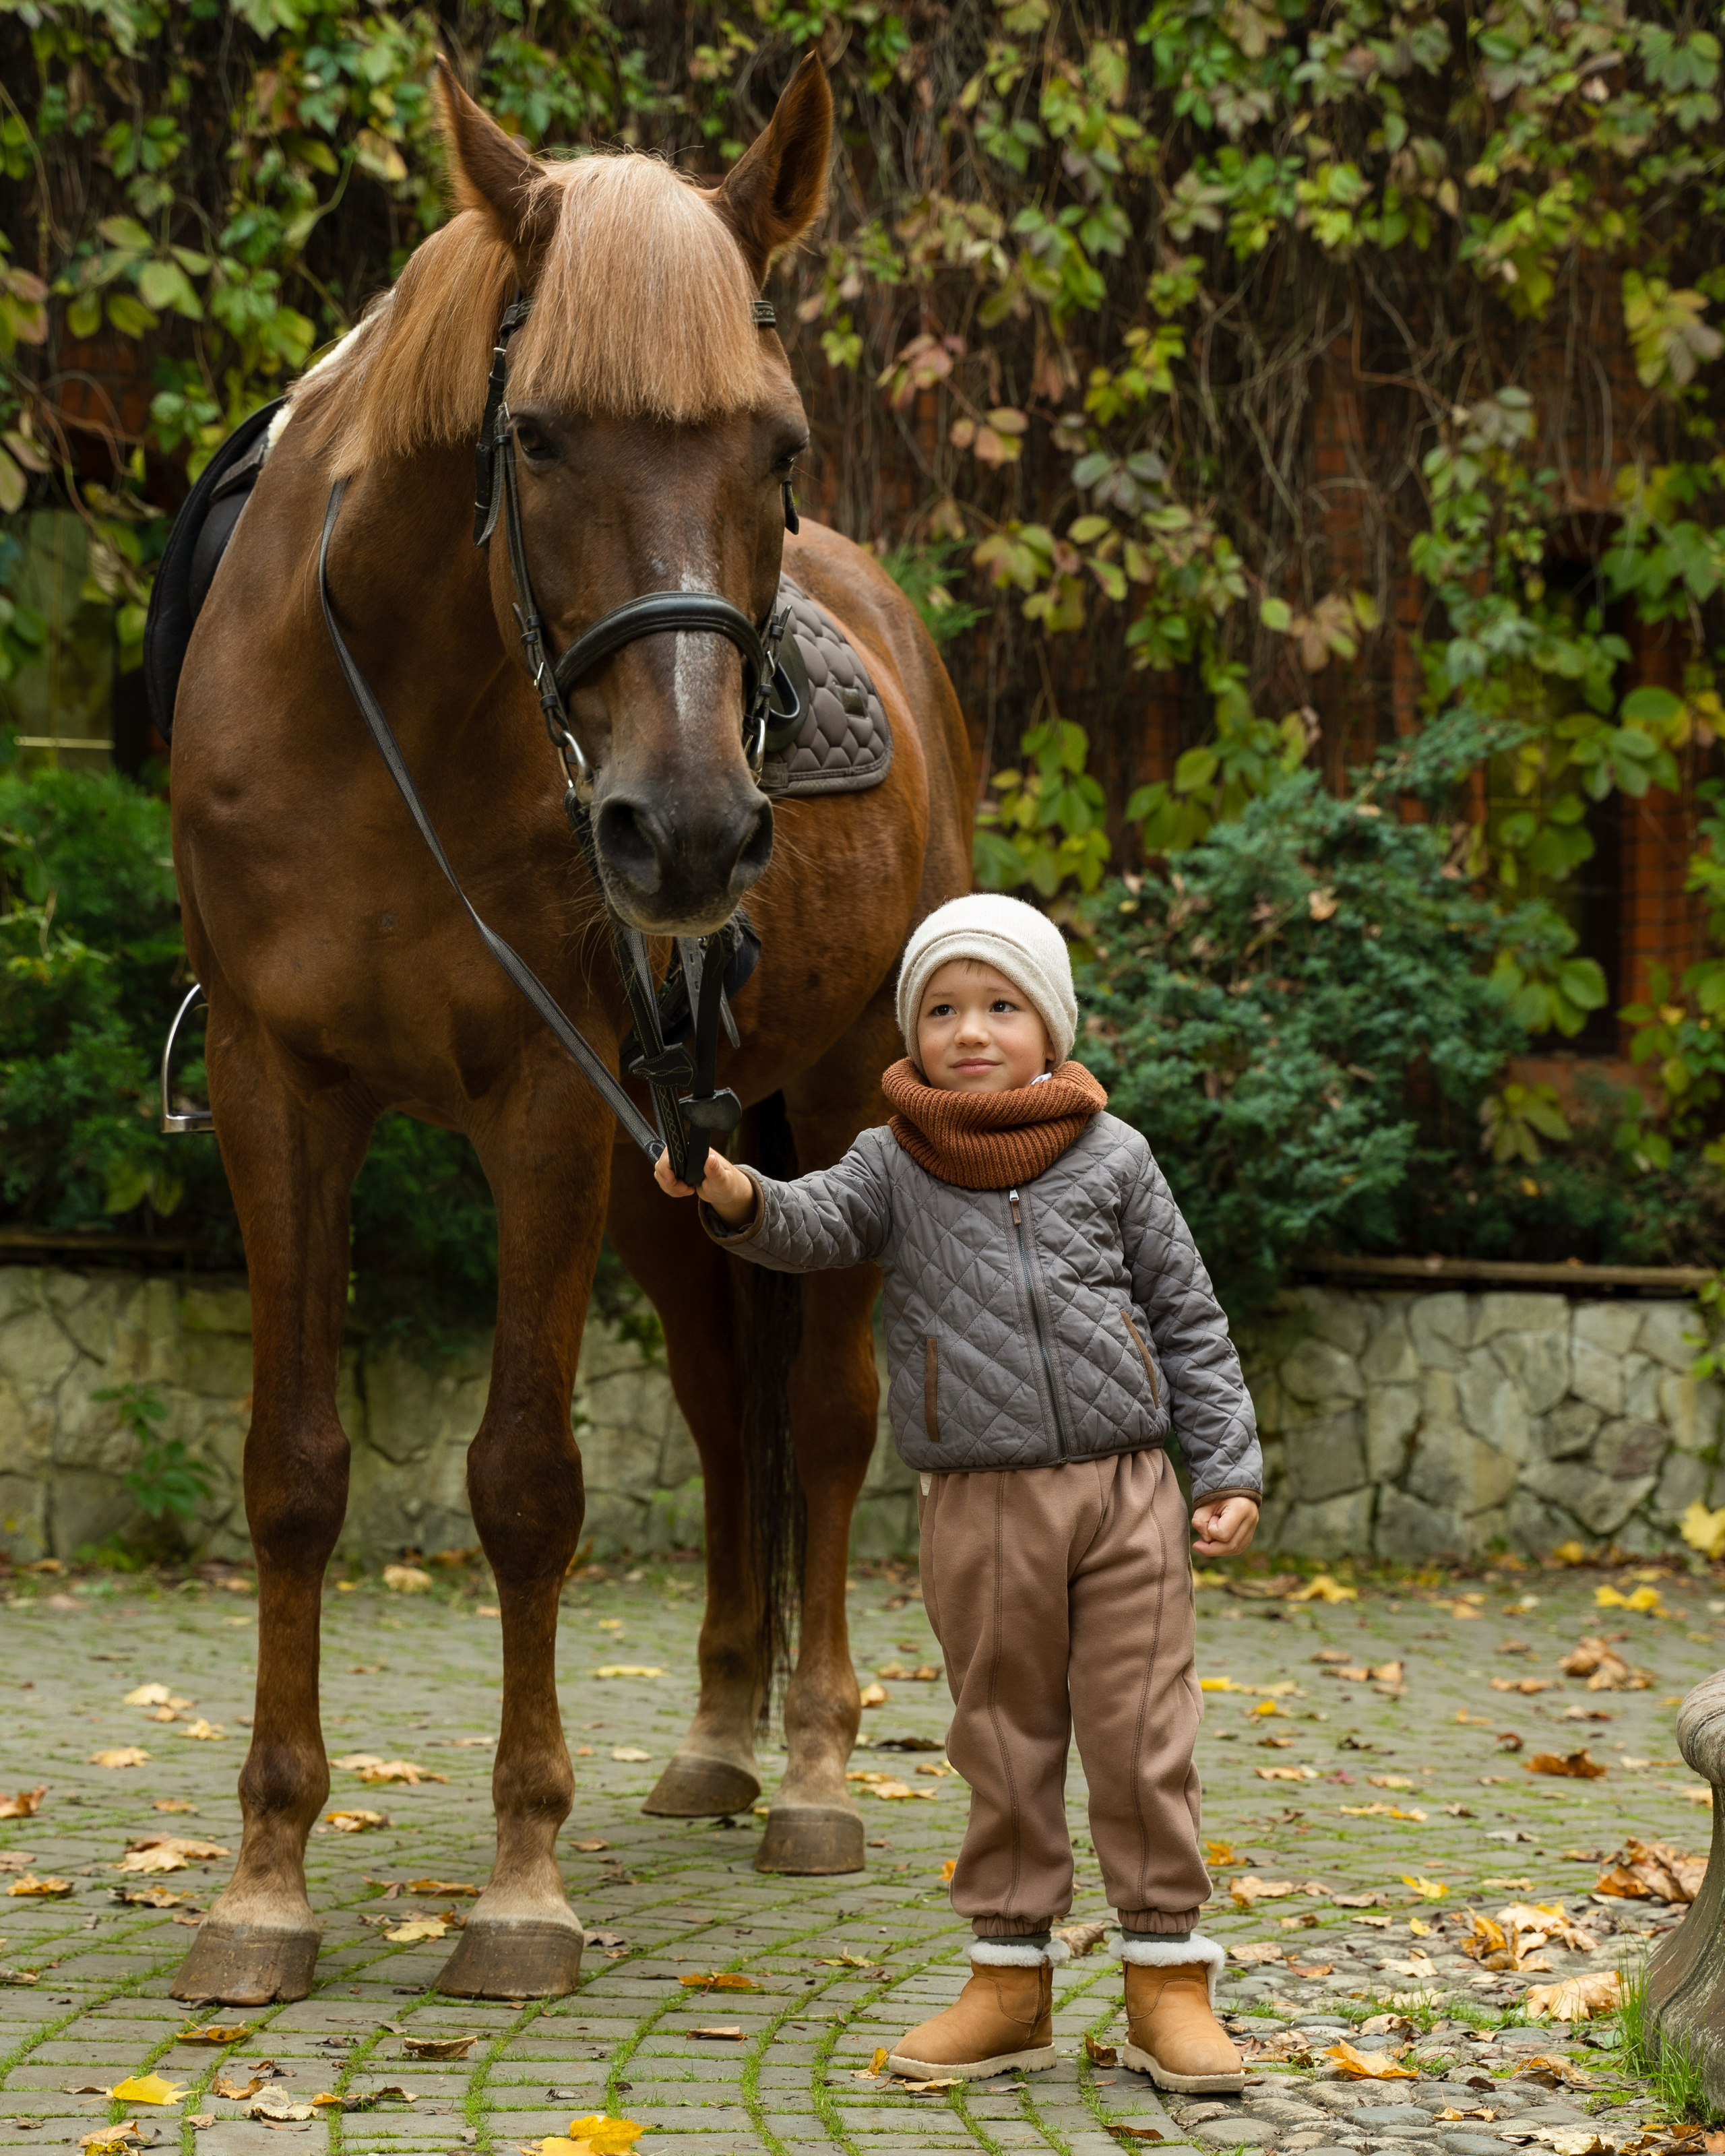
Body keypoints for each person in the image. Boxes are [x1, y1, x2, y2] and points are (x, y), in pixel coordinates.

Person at [653, 891, 1261, 2091]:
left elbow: (1188, 1318)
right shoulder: (896, 1161)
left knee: (1145, 1737)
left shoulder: (1116, 1156)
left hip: (1129, 1487)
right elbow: (809, 1221)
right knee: (1004, 1739)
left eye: (1000, 1005)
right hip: (980, 1506)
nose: (970, 1030)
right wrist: (732, 1194)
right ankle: (1007, 1983)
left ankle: (1168, 1983)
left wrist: (1225, 1463)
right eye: (941, 1009)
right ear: (911, 1034)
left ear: (1051, 1025)